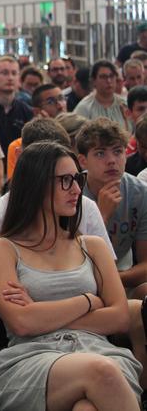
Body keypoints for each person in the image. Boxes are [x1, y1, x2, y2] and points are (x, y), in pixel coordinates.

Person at [0, 141, 141, 411]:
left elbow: (119, 318)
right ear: (35, 186)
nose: (78, 190)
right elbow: (22, 324)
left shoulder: (93, 246)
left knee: (86, 407)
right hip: (31, 359)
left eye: (78, 179)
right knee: (100, 371)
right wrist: (88, 300)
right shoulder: (1, 250)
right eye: (65, 181)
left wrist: (41, 314)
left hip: (99, 350)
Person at [0, 117, 112, 283]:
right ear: (23, 161)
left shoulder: (85, 207)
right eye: (63, 178)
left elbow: (109, 288)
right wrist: (89, 301)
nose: (77, 190)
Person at [76, 118, 147, 299]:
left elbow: (146, 263)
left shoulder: (140, 193)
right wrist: (100, 216)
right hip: (78, 279)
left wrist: (113, 279)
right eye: (100, 154)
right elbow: (70, 259)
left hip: (122, 274)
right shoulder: (70, 191)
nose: (112, 161)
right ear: (83, 161)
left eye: (117, 152)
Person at [74, 60, 132, 132]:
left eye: (111, 76)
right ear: (93, 80)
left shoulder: (125, 104)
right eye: (103, 77)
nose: (108, 80)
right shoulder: (84, 107)